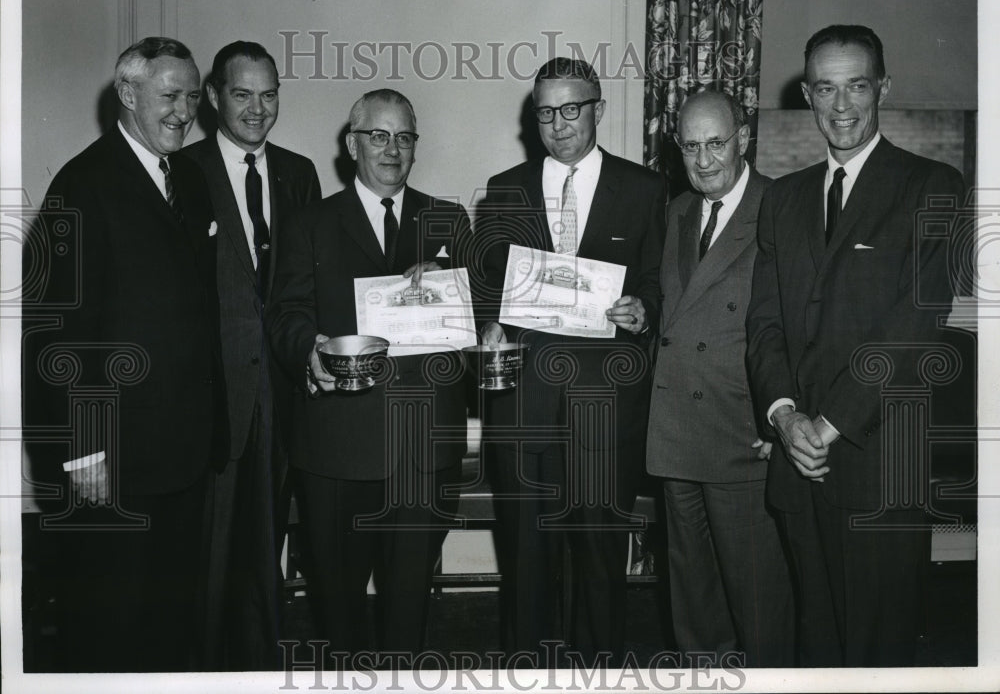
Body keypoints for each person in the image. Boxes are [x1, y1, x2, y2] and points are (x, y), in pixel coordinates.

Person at [746, 25, 965, 666]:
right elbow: (764, 325)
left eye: (856, 86)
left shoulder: (932, 184)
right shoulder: (782, 199)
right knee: (814, 643)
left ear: (882, 90)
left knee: (878, 653)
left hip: (878, 466)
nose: (841, 107)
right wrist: (784, 415)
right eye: (825, 89)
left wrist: (828, 423)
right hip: (797, 465)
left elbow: (914, 327)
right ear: (808, 97)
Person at [24, 37, 226, 671]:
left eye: (192, 97)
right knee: (108, 628)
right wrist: (83, 453)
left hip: (184, 454)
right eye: (169, 96)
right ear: (128, 93)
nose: (183, 111)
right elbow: (56, 339)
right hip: (110, 463)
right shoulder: (82, 186)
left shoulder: (189, 179)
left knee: (169, 624)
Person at [266, 88, 472, 663]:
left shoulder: (449, 221)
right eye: (378, 135)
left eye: (404, 137)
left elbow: (480, 318)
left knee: (410, 609)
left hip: (422, 450)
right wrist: (307, 348)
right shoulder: (309, 223)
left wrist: (454, 282)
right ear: (351, 143)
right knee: (338, 610)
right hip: (336, 450)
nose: (392, 149)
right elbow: (285, 313)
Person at [473, 57, 665, 666]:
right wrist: (488, 321)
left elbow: (663, 282)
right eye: (546, 111)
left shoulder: (647, 189)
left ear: (598, 110)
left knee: (601, 569)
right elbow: (487, 289)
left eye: (572, 108)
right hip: (524, 409)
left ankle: (602, 676)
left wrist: (644, 308)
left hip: (605, 410)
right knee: (526, 568)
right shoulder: (504, 190)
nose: (558, 124)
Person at [185, 41, 321, 669]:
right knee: (208, 557)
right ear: (214, 97)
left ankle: (262, 670)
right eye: (242, 95)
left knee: (269, 550)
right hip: (215, 398)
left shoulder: (299, 173)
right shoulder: (183, 171)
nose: (257, 109)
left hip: (285, 392)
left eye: (269, 95)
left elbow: (308, 285)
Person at [645, 90, 793, 667]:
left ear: (743, 138)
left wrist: (783, 413)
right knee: (695, 606)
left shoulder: (783, 205)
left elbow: (802, 324)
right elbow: (670, 310)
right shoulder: (677, 211)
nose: (704, 160)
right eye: (690, 146)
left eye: (716, 143)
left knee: (760, 604)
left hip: (744, 435)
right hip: (678, 433)